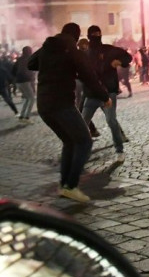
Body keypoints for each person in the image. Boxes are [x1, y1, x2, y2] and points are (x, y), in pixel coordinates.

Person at [27, 22, 111, 203]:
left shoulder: (48, 49)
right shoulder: (73, 52)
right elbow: (89, 77)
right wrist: (105, 97)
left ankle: (64, 185)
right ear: (76, 36)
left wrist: (47, 53)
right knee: (85, 141)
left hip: (44, 105)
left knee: (69, 142)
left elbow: (31, 63)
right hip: (62, 103)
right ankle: (71, 185)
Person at [81, 25, 132, 163]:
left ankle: (119, 149)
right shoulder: (85, 54)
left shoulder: (108, 49)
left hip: (108, 92)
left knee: (111, 120)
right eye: (93, 33)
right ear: (89, 36)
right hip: (92, 94)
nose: (96, 35)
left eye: (98, 33)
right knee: (82, 122)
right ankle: (82, 150)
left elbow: (127, 56)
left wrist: (120, 62)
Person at [11, 46, 35, 122]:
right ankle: (26, 117)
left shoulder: (19, 59)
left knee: (27, 98)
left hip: (18, 82)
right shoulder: (30, 59)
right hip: (25, 81)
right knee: (31, 98)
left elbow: (13, 71)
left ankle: (22, 116)